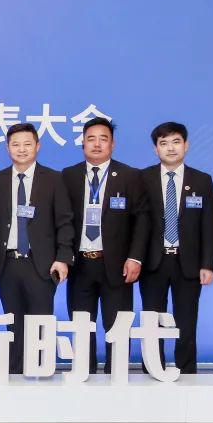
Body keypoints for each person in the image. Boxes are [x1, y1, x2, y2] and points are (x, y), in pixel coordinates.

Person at [62, 117, 149, 374]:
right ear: (82, 143)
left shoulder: (130, 176)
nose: (97, 144)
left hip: (117, 265)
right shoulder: (68, 176)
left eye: (103, 139)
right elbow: (61, 220)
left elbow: (142, 221)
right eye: (91, 139)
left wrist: (135, 257)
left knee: (117, 326)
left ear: (113, 144)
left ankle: (117, 375)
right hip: (80, 264)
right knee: (81, 326)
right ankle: (83, 374)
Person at [0, 123, 74, 374]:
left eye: (27, 144)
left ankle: (42, 374)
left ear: (38, 146)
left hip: (42, 265)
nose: (22, 149)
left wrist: (63, 258)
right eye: (15, 144)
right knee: (13, 325)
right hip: (7, 264)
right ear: (7, 148)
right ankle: (15, 376)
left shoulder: (54, 179)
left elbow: (65, 222)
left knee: (41, 324)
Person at [139, 122, 213, 374]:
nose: (170, 148)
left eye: (175, 142)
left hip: (188, 263)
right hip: (153, 262)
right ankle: (153, 370)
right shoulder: (143, 179)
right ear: (155, 149)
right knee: (152, 321)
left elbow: (209, 225)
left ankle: (187, 372)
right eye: (163, 143)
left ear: (186, 145)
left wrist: (208, 264)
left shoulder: (202, 181)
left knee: (186, 322)